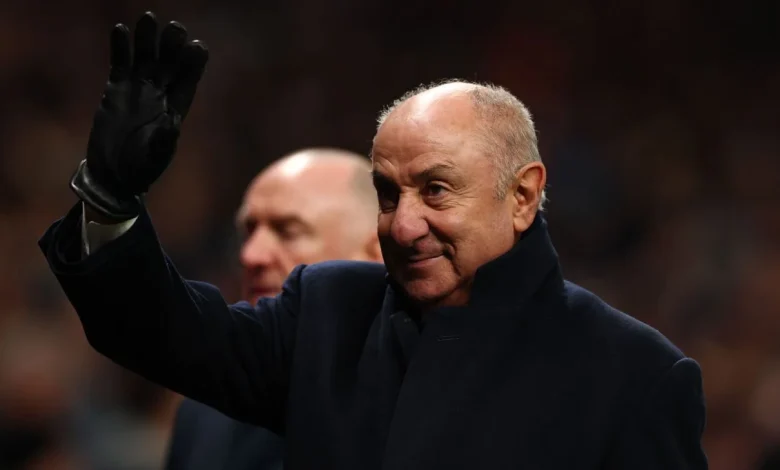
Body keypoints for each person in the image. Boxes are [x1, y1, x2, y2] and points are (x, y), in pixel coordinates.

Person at [39, 12, 708, 469]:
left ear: (524, 195)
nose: (403, 225)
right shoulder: (327, 312)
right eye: (388, 194)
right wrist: (111, 195)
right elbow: (162, 332)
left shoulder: (636, 375)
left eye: (436, 190)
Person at [164, 148, 382, 470]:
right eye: (248, 231)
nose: (251, 255)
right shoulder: (204, 416)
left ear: (376, 253)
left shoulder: (414, 400)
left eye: (288, 231)